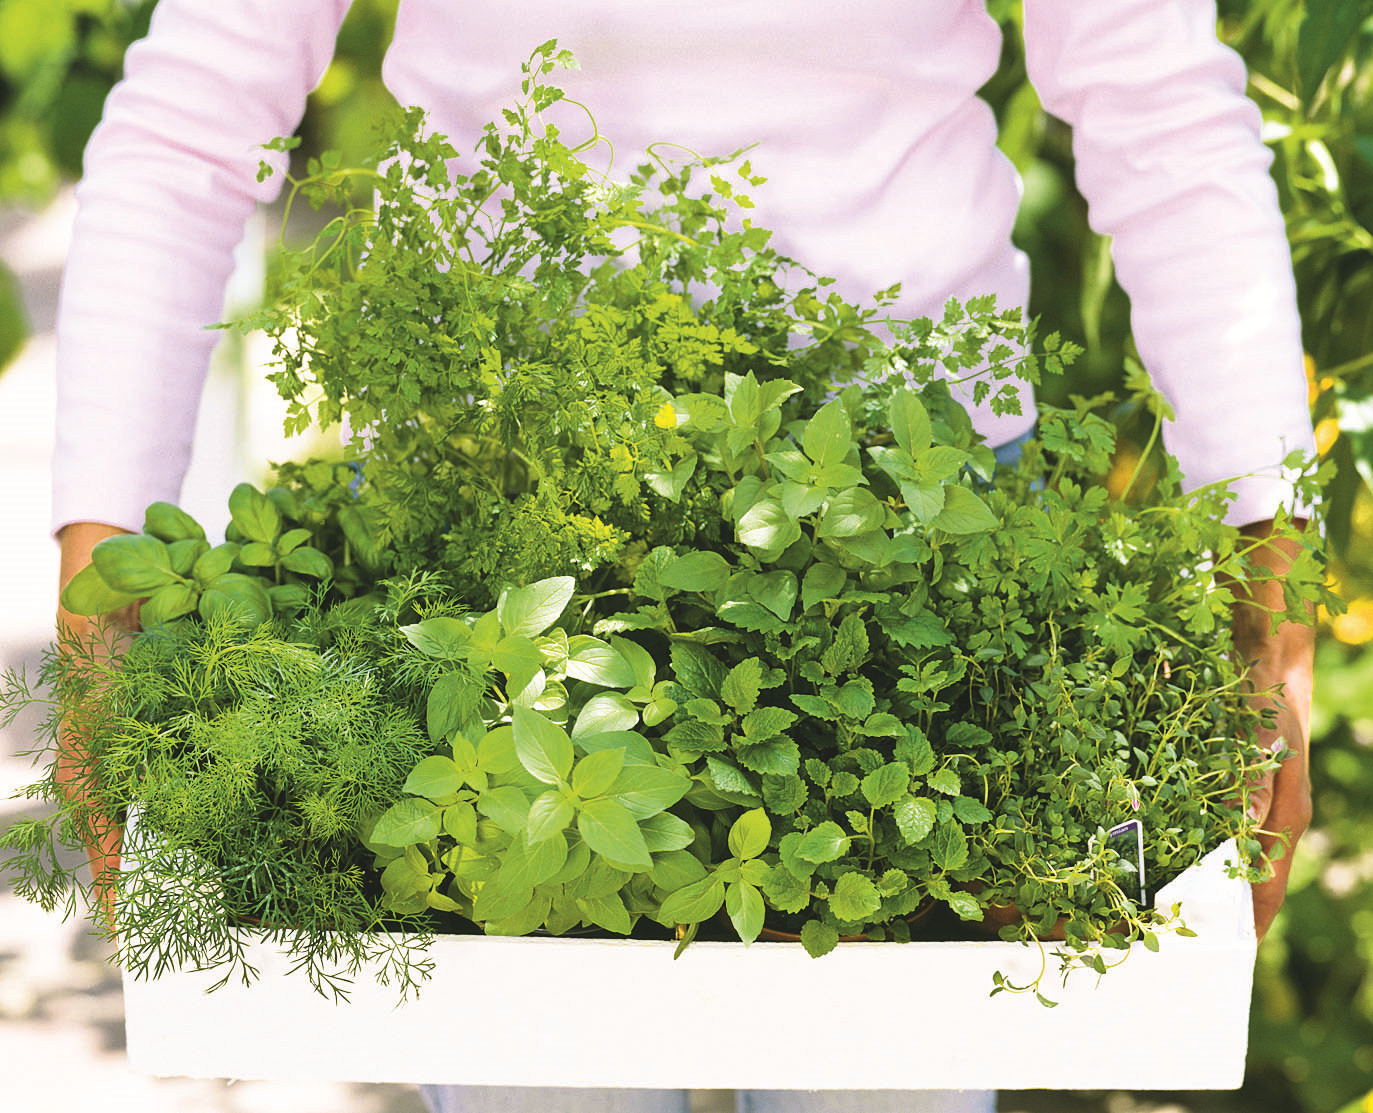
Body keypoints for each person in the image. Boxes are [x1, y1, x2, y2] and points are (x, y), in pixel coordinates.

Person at [52, 2, 1316, 1111]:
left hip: (921, 524)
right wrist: (98, 607)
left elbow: (1160, 110)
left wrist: (1274, 591)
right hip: (487, 521)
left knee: (887, 1078)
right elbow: (192, 119)